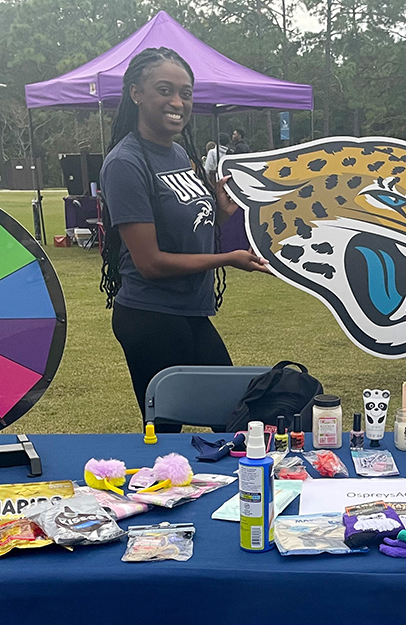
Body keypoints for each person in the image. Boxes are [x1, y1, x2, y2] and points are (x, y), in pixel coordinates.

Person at [99, 47, 269, 432]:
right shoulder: (125, 163)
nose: (177, 102)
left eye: (186, 93)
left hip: (191, 312)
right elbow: (151, 262)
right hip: (150, 316)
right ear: (136, 93)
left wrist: (221, 216)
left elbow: (189, 233)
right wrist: (227, 259)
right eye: (165, 90)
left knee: (235, 418)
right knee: (165, 434)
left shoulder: (178, 152)